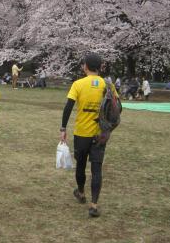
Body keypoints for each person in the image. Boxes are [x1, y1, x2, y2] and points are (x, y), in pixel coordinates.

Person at [60, 52, 117, 218]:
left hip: (82, 132)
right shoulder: (108, 85)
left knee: (81, 164)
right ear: (100, 67)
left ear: (85, 66)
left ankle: (81, 193)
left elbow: (68, 107)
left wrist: (63, 128)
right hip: (100, 133)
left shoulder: (78, 84)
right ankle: (94, 204)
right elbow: (116, 107)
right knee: (97, 168)